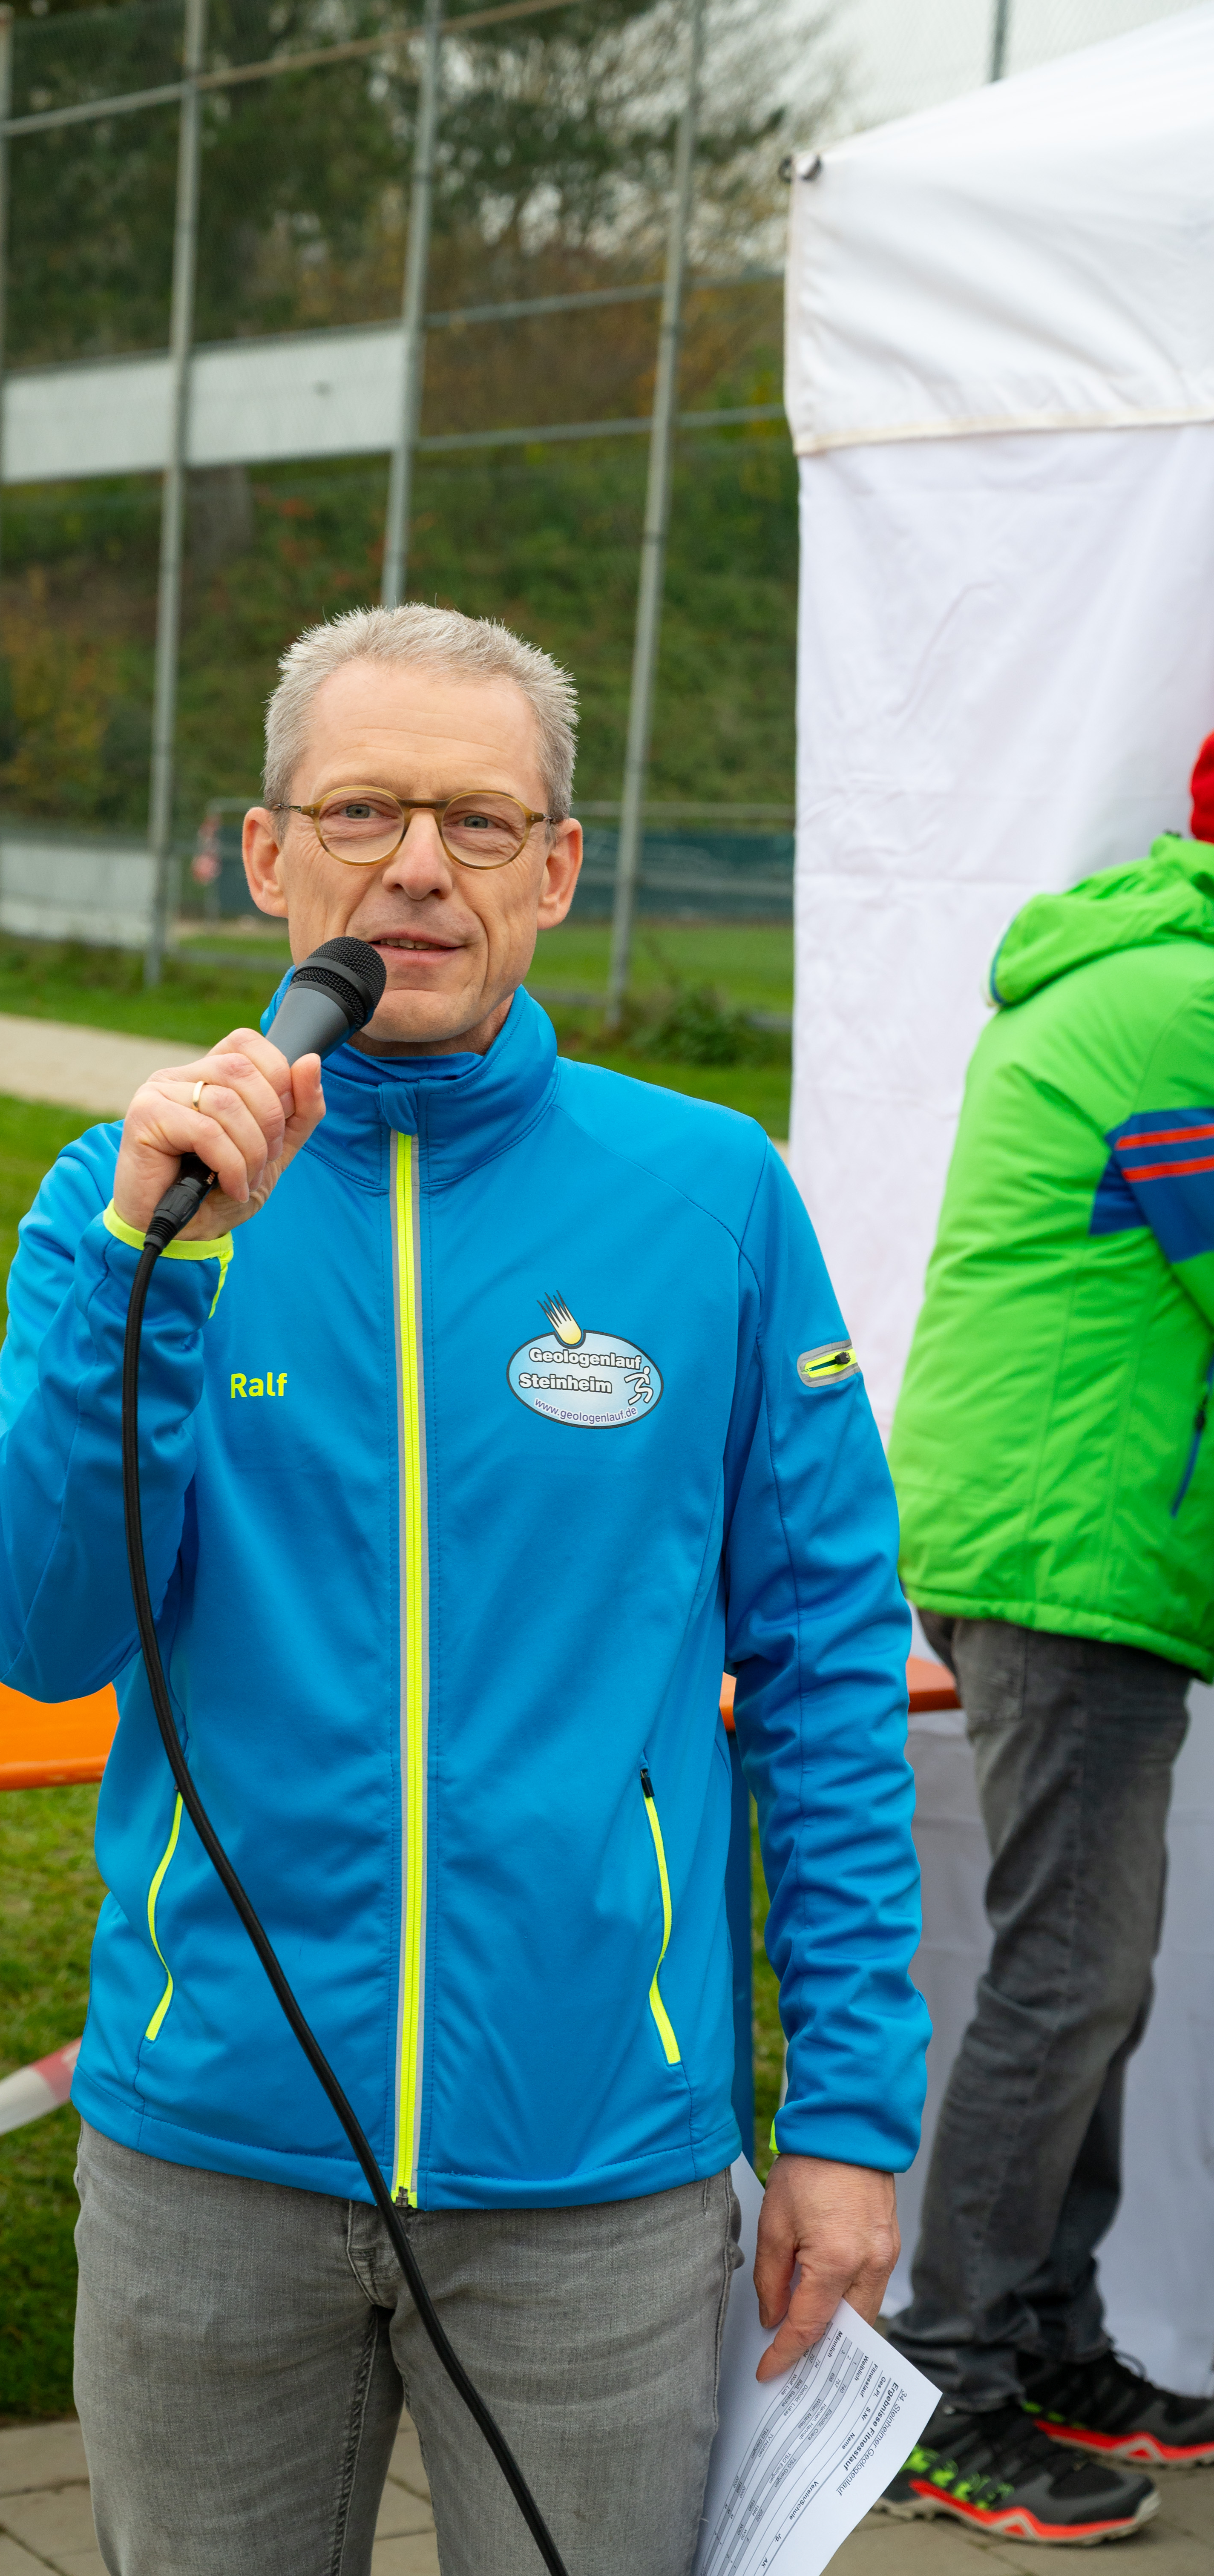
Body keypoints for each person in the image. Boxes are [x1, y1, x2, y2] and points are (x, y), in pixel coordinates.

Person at [0, 604, 930, 2576]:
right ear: (265, 854)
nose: (416, 866)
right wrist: (156, 1270)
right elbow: (41, 1633)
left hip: (598, 2170)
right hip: (209, 2153)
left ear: (554, 872)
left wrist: (848, 2110)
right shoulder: (126, 1198)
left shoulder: (710, 1194)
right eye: (362, 812)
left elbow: (824, 1670)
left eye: (478, 823)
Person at [882, 733, 1214, 2547]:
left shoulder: (1152, 972)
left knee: (1092, 1973)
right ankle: (944, 2389)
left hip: (1070, 1533)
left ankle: (1045, 2338)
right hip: (1063, 1542)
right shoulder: (1182, 1006)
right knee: (1065, 1977)